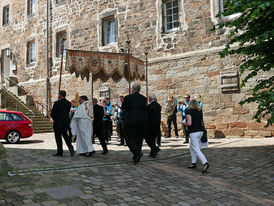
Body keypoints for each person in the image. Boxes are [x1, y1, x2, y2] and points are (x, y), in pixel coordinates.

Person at [121, 83, 147, 163]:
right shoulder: (144, 98)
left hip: (130, 121)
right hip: (141, 121)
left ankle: (137, 153)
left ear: (133, 89)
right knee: (139, 139)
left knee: (129, 138)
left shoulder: (128, 97)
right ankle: (136, 156)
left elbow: (123, 107)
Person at [182, 99, 210, 174]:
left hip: (193, 132)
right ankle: (193, 163)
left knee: (196, 149)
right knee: (191, 147)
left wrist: (183, 123)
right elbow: (202, 122)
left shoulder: (189, 112)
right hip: (200, 131)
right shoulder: (199, 111)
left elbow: (189, 123)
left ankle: (205, 163)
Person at [50, 90, 75, 157]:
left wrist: (56, 119)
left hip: (58, 123)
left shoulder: (56, 103)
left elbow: (52, 114)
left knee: (58, 138)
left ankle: (60, 152)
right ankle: (70, 147)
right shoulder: (68, 103)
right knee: (66, 136)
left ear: (60, 95)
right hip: (65, 123)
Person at [145, 94, 161, 158]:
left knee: (148, 139)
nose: (148, 99)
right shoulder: (158, 106)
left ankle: (155, 148)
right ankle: (153, 153)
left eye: (149, 98)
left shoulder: (149, 106)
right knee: (153, 139)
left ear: (150, 99)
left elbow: (147, 116)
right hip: (157, 125)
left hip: (150, 125)